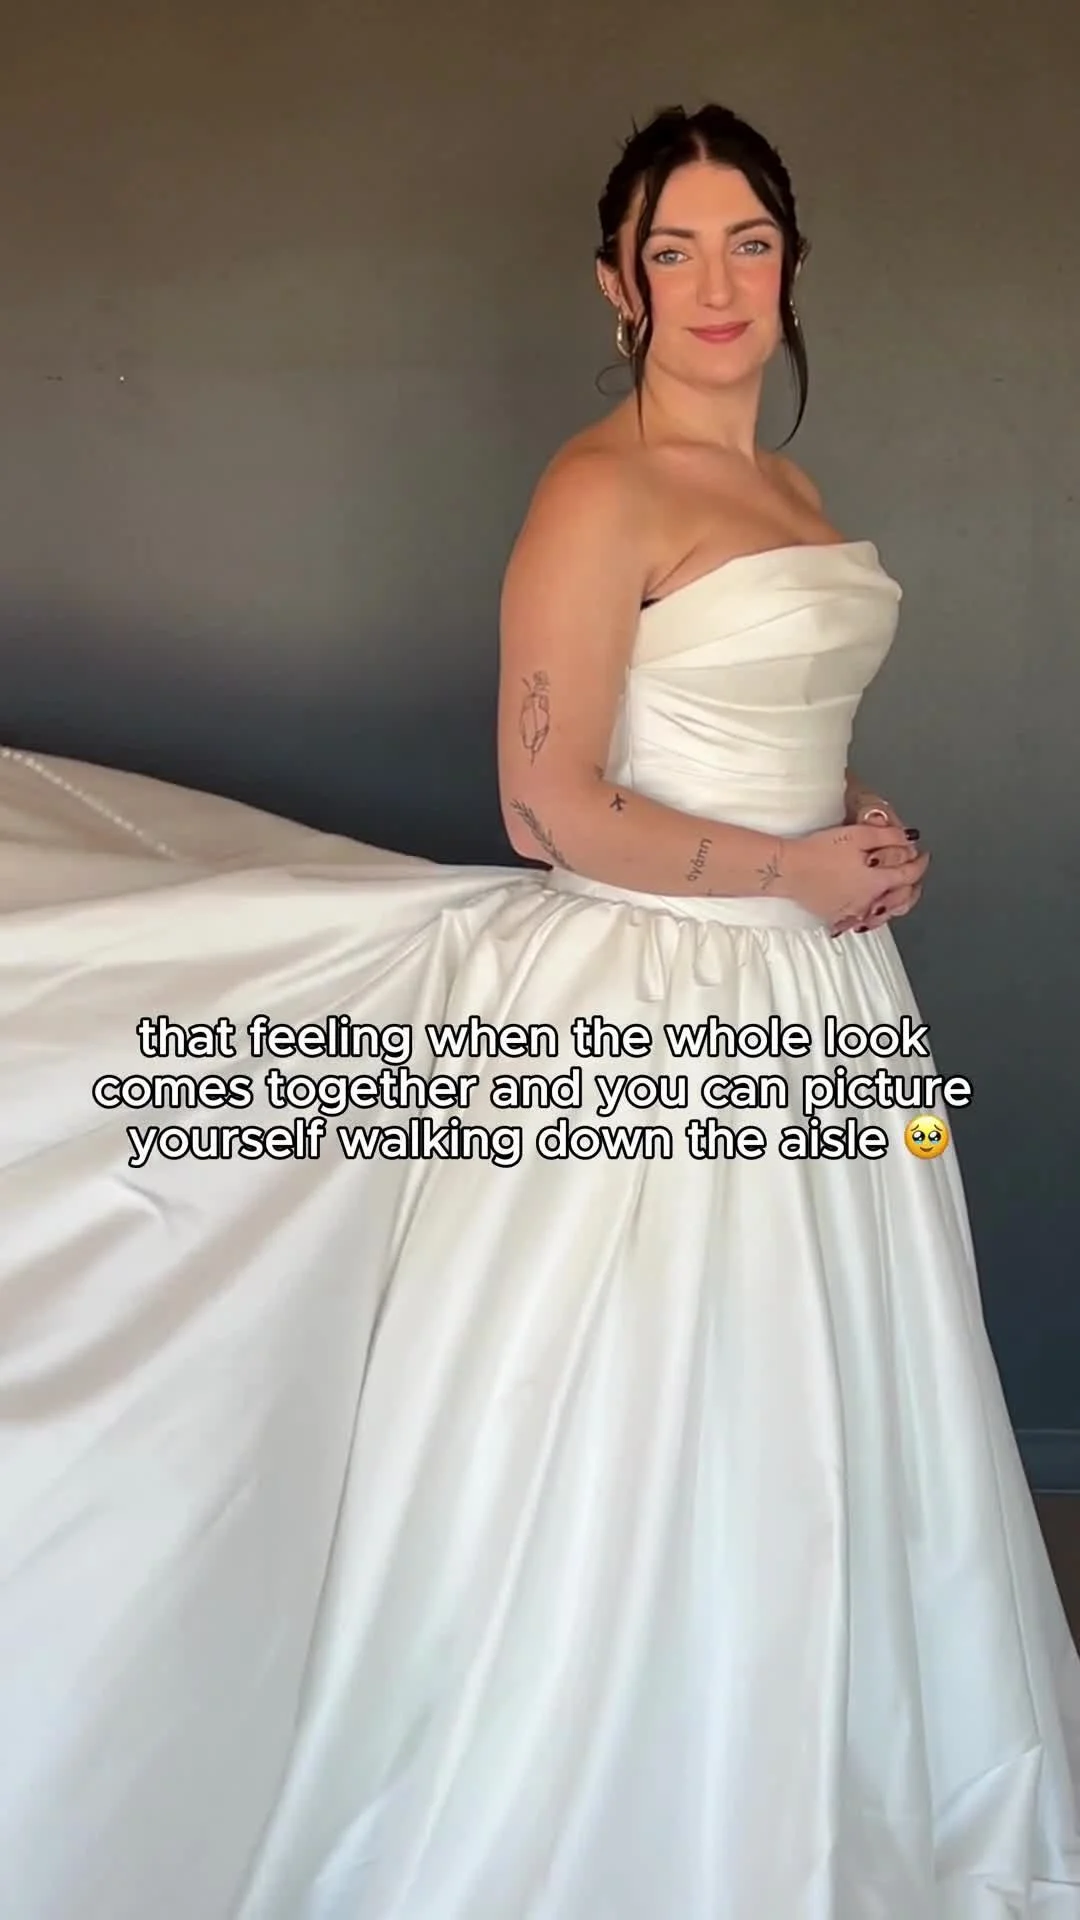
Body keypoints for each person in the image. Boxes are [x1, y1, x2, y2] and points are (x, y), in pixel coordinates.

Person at [0, 102, 1078, 1920]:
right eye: (675, 249)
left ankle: (826, 1758)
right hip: (658, 998)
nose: (717, 283)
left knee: (832, 1393)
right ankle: (645, 1797)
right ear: (615, 283)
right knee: (658, 1404)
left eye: (749, 242)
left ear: (792, 264)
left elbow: (746, 734)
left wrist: (856, 824)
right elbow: (549, 806)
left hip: (819, 996)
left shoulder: (793, 493)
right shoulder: (601, 489)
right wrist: (793, 869)